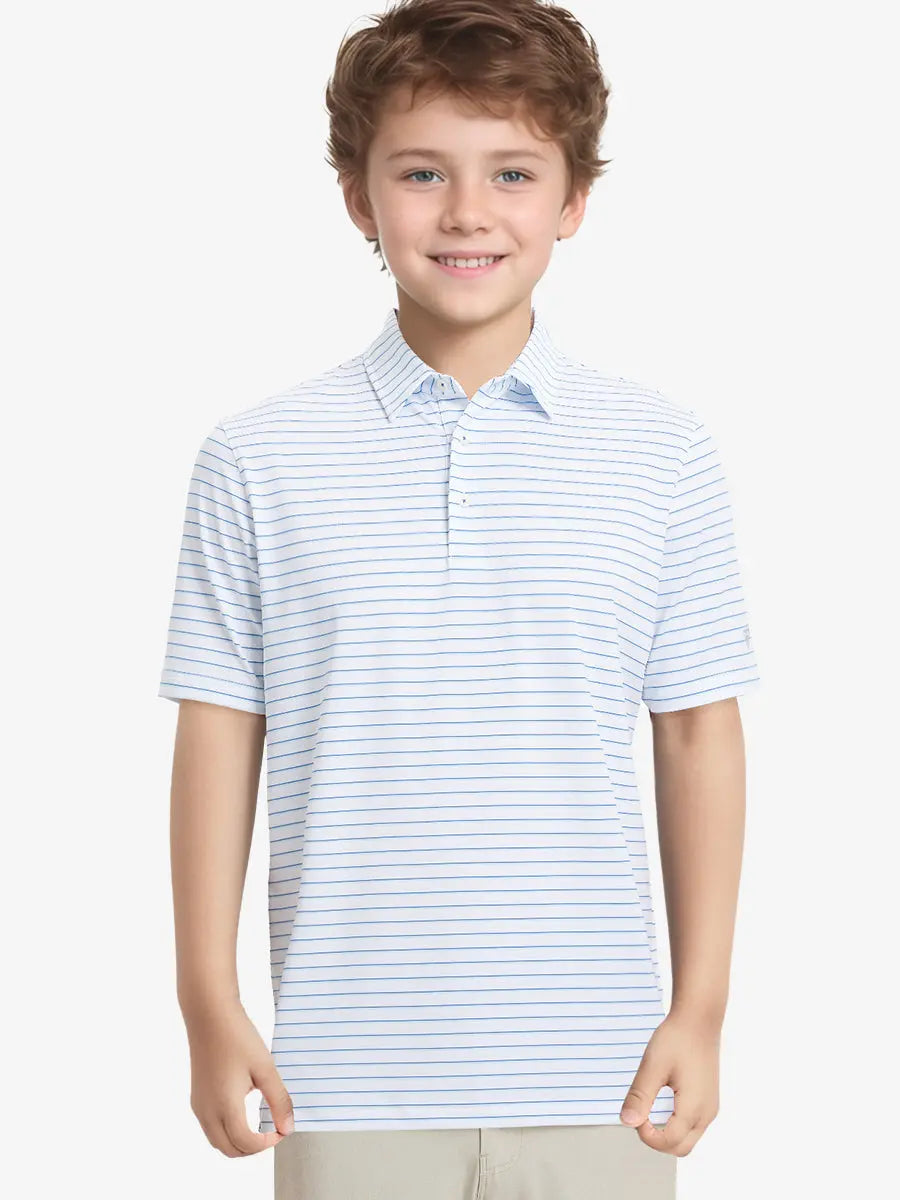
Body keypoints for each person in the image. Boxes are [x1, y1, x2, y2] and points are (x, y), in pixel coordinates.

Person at [158, 1, 761, 1196]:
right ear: (358, 196)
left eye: (514, 172)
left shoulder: (661, 452)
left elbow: (699, 730)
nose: (468, 211)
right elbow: (220, 734)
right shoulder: (259, 458)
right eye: (422, 172)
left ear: (574, 200)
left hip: (601, 1077)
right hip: (338, 1081)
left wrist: (702, 1009)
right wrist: (206, 1001)